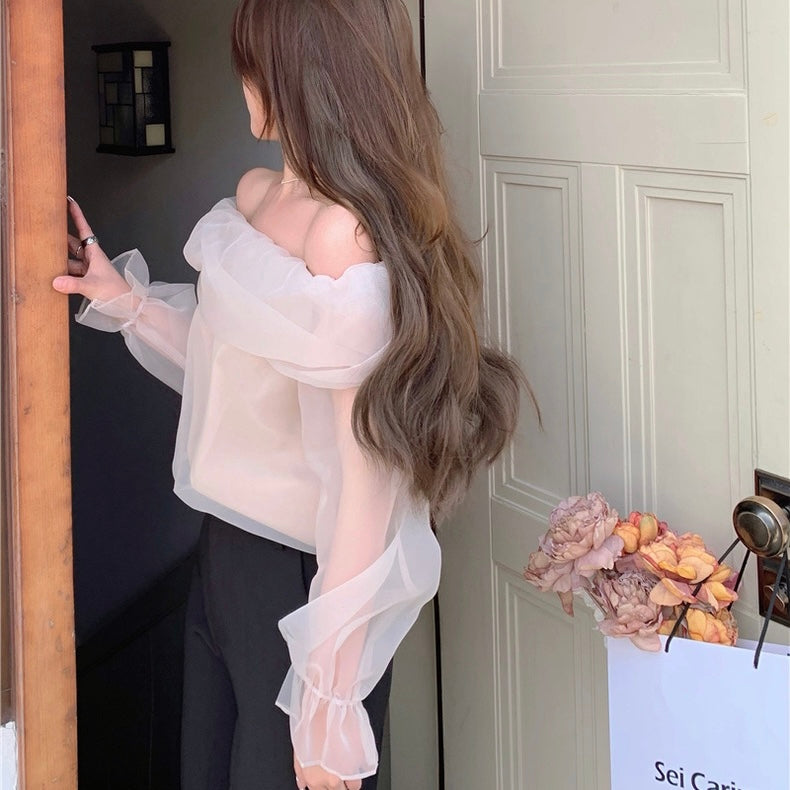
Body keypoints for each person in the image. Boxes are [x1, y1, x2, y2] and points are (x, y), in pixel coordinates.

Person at [53, 1, 533, 788]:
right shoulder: (257, 196)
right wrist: (128, 301)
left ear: (302, 75)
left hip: (307, 577)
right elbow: (233, 372)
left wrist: (328, 700)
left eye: (254, 60)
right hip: (224, 554)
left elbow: (365, 480)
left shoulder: (342, 235)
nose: (243, 79)